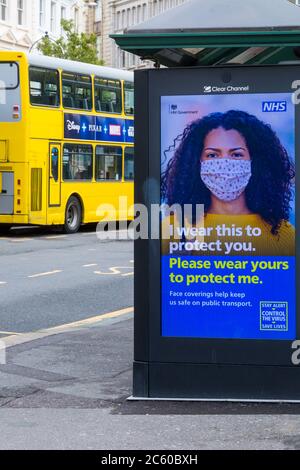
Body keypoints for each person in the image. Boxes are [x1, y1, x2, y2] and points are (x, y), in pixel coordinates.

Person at [161, 110, 295, 256]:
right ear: (196, 163)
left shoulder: (283, 234)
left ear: (256, 162)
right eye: (212, 155)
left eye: (236, 154)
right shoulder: (173, 229)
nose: (224, 163)